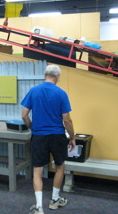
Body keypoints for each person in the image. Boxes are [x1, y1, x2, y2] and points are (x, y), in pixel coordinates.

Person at [21, 64, 76, 214]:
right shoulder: (61, 93)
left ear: (45, 75)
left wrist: (33, 128)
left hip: (39, 136)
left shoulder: (33, 91)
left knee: (37, 171)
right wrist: (72, 137)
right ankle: (55, 200)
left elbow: (24, 115)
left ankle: (39, 207)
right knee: (60, 166)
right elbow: (67, 121)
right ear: (57, 77)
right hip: (57, 135)